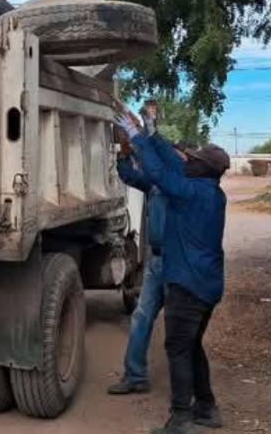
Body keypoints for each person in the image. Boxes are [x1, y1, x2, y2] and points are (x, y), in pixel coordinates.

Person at [114, 108, 230, 434]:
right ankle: (206, 408)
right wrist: (152, 134)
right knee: (191, 346)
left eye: (193, 160)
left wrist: (137, 139)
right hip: (206, 285)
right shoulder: (208, 190)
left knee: (177, 348)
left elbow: (157, 170)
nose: (187, 161)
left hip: (187, 285)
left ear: (202, 169)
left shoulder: (189, 194)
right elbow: (171, 163)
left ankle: (181, 419)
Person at [108, 101, 185, 396]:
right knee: (142, 316)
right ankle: (135, 376)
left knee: (181, 326)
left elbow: (155, 163)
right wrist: (126, 153)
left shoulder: (181, 184)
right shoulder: (157, 183)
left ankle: (188, 390)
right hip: (157, 263)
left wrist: (144, 133)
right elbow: (131, 175)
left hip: (179, 263)